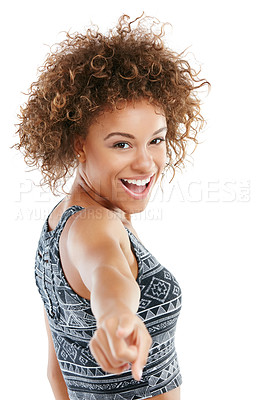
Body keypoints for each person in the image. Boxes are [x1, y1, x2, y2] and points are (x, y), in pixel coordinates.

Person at [14, 14, 209, 400]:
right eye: (121, 144)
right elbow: (106, 272)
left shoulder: (60, 219)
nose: (145, 163)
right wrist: (118, 319)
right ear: (78, 143)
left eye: (156, 140)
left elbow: (57, 371)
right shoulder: (93, 226)